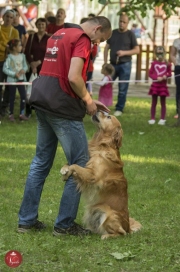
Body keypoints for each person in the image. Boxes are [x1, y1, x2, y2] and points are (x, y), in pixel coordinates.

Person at [18, 16, 112, 236]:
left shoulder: (58, 34)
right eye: (100, 39)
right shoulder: (82, 38)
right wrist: (88, 100)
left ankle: (26, 221)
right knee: (79, 165)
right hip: (62, 109)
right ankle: (64, 225)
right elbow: (72, 77)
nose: (97, 44)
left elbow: (57, 72)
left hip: (42, 101)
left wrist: (86, 97)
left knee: (40, 162)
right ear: (96, 28)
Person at [104, 13, 139, 116]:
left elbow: (137, 50)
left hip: (125, 64)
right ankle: (105, 106)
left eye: (124, 22)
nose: (121, 23)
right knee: (106, 85)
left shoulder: (130, 34)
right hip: (112, 65)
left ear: (127, 23)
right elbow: (106, 47)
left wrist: (124, 53)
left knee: (123, 88)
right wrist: (105, 63)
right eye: (120, 21)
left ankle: (119, 108)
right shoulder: (113, 33)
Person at [24, 17, 49, 117]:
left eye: (43, 24)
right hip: (31, 67)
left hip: (43, 68)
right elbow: (26, 51)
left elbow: (50, 52)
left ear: (45, 26)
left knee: (42, 90)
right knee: (29, 89)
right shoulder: (31, 37)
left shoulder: (48, 38)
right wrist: (32, 63)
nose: (41, 26)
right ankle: (28, 111)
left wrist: (39, 62)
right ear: (36, 25)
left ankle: (41, 111)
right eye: (39, 24)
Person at [3, 39, 29, 122]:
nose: (21, 47)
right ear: (14, 47)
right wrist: (14, 74)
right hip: (12, 81)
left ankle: (22, 113)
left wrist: (23, 70)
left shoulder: (23, 56)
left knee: (23, 96)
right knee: (12, 97)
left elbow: (26, 66)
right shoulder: (9, 58)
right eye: (19, 45)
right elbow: (5, 69)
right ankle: (11, 114)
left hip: (21, 80)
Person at [0, 9, 19, 121]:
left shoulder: (15, 32)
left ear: (13, 19)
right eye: (7, 16)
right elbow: (8, 46)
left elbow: (15, 47)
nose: (8, 19)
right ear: (3, 17)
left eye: (11, 17)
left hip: (9, 62)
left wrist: (6, 47)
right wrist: (5, 46)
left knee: (8, 86)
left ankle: (4, 108)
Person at [148, 46, 171, 125]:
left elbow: (169, 73)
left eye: (161, 53)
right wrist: (156, 77)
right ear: (155, 54)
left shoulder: (168, 64)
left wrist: (165, 76)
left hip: (163, 86)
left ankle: (162, 119)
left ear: (164, 53)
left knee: (163, 103)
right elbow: (150, 73)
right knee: (154, 102)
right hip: (155, 86)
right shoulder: (154, 63)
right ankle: (152, 118)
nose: (160, 55)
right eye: (158, 53)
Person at [170, 30, 180, 119]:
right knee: (179, 90)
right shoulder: (176, 42)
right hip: (179, 68)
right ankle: (178, 112)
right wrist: (176, 63)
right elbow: (172, 54)